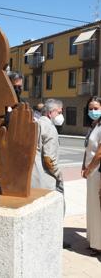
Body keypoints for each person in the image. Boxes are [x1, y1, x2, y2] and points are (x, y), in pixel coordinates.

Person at [81, 96, 101, 256]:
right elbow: (88, 149)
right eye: (90, 108)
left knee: (98, 208)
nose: (93, 111)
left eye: (96, 108)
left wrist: (89, 169)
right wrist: (83, 166)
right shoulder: (94, 126)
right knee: (91, 205)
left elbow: (100, 154)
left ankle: (99, 244)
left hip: (98, 171)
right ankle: (93, 240)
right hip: (91, 172)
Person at [31, 98, 64, 192]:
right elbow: (49, 159)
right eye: (59, 112)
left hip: (32, 177)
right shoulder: (49, 128)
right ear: (50, 113)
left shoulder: (36, 124)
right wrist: (59, 175)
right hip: (45, 180)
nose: (61, 116)